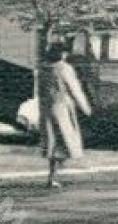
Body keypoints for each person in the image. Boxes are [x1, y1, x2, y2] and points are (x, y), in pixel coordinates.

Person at [39, 43, 92, 188]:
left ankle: (52, 175)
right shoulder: (65, 69)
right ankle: (54, 174)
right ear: (61, 54)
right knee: (64, 141)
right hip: (63, 109)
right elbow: (75, 89)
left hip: (47, 109)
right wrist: (85, 107)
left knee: (53, 142)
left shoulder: (43, 69)